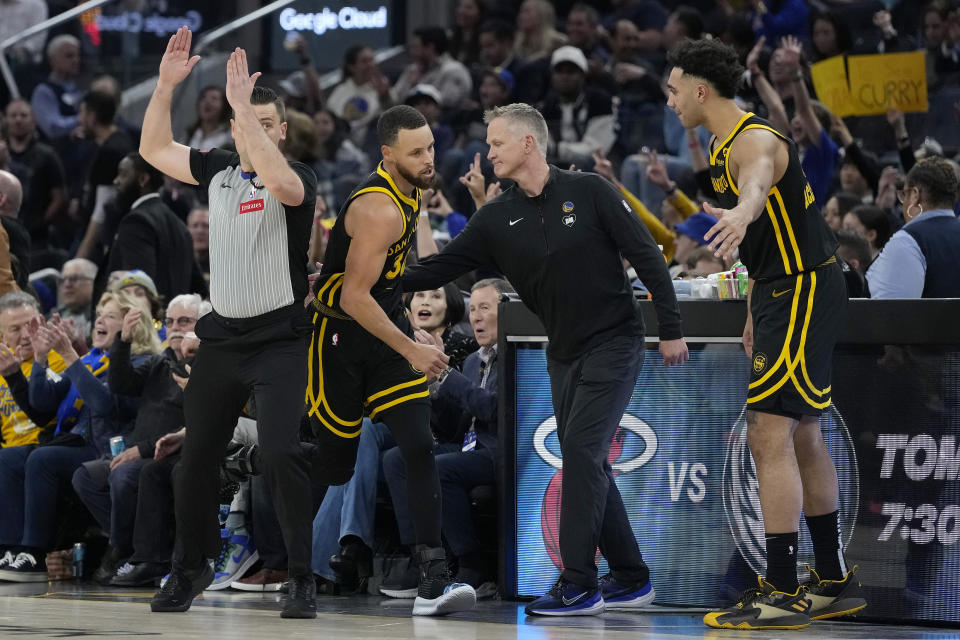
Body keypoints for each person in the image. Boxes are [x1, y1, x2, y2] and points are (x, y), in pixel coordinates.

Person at [400, 102, 688, 616]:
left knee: (578, 452)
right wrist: (364, 277)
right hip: (563, 351)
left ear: (528, 143)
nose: (488, 154)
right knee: (589, 459)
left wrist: (670, 328)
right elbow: (437, 266)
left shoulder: (591, 191)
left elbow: (648, 255)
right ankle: (631, 576)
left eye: (496, 144)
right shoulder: (494, 218)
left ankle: (579, 582)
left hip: (617, 341)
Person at [664, 38, 865, 629]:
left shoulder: (749, 140)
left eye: (674, 90)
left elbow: (756, 187)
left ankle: (782, 588)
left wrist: (741, 211)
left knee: (767, 433)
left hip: (801, 287)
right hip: (786, 287)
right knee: (802, 432)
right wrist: (756, 302)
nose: (671, 101)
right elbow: (768, 233)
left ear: (701, 90)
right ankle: (832, 579)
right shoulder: (725, 138)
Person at [138, 28, 317, 618]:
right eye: (246, 121)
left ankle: (300, 575)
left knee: (283, 453)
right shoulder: (215, 168)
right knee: (194, 463)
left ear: (282, 131)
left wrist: (243, 109)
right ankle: (190, 568)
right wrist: (165, 88)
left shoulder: (301, 179)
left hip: (280, 341)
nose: (254, 130)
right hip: (223, 336)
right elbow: (154, 150)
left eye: (267, 123)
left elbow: (282, 184)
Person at [307, 104, 477, 616]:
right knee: (335, 467)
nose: (429, 159)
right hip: (339, 342)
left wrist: (410, 333)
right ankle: (248, 462)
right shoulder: (378, 207)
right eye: (416, 152)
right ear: (387, 154)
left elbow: (385, 290)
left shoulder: (410, 196)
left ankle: (433, 578)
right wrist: (412, 347)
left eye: (430, 147)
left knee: (418, 446)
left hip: (384, 336)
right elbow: (355, 298)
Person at [383, 278, 510, 597]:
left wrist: (443, 373)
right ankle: (423, 557)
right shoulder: (472, 361)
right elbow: (455, 424)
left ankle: (473, 565)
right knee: (399, 458)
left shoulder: (516, 355)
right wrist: (431, 386)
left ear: (508, 312)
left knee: (442, 469)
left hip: (500, 450)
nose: (477, 317)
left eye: (485, 308)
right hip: (469, 447)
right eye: (472, 310)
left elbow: (494, 410)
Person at [105, 152, 206, 300]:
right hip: (172, 321)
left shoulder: (136, 222)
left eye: (123, 174)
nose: (116, 181)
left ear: (143, 179)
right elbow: (199, 290)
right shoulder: (179, 224)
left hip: (146, 321)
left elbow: (139, 289)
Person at [866, 157, 960, 299]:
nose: (903, 203)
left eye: (904, 194)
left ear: (915, 195)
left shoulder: (907, 241)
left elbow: (887, 314)